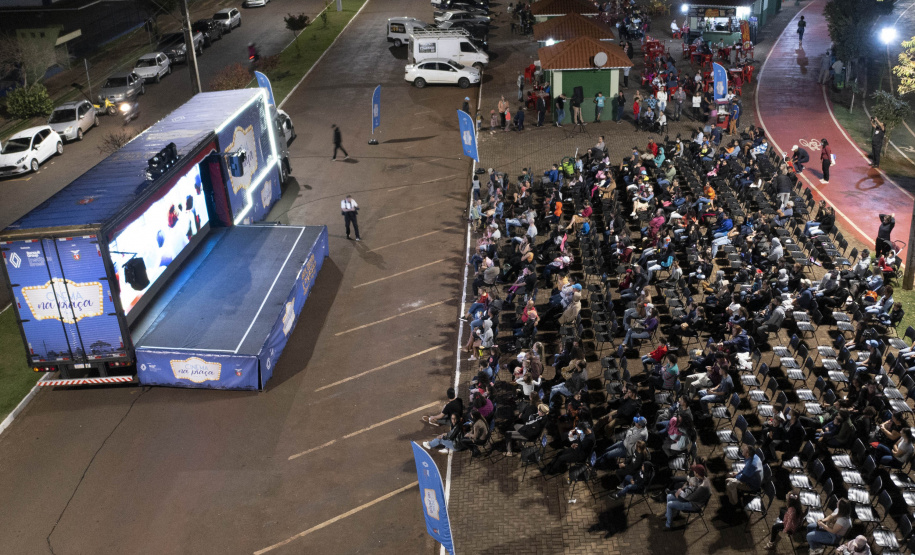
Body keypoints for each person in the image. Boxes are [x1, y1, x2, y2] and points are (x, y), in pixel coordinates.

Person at [664, 464, 711, 529]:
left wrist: (679, 492)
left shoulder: (702, 487)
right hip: (692, 499)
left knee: (670, 504)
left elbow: (686, 498)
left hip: (694, 505)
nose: (693, 472)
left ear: (697, 473)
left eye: (694, 472)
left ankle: (668, 525)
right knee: (669, 496)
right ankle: (668, 515)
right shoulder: (703, 478)